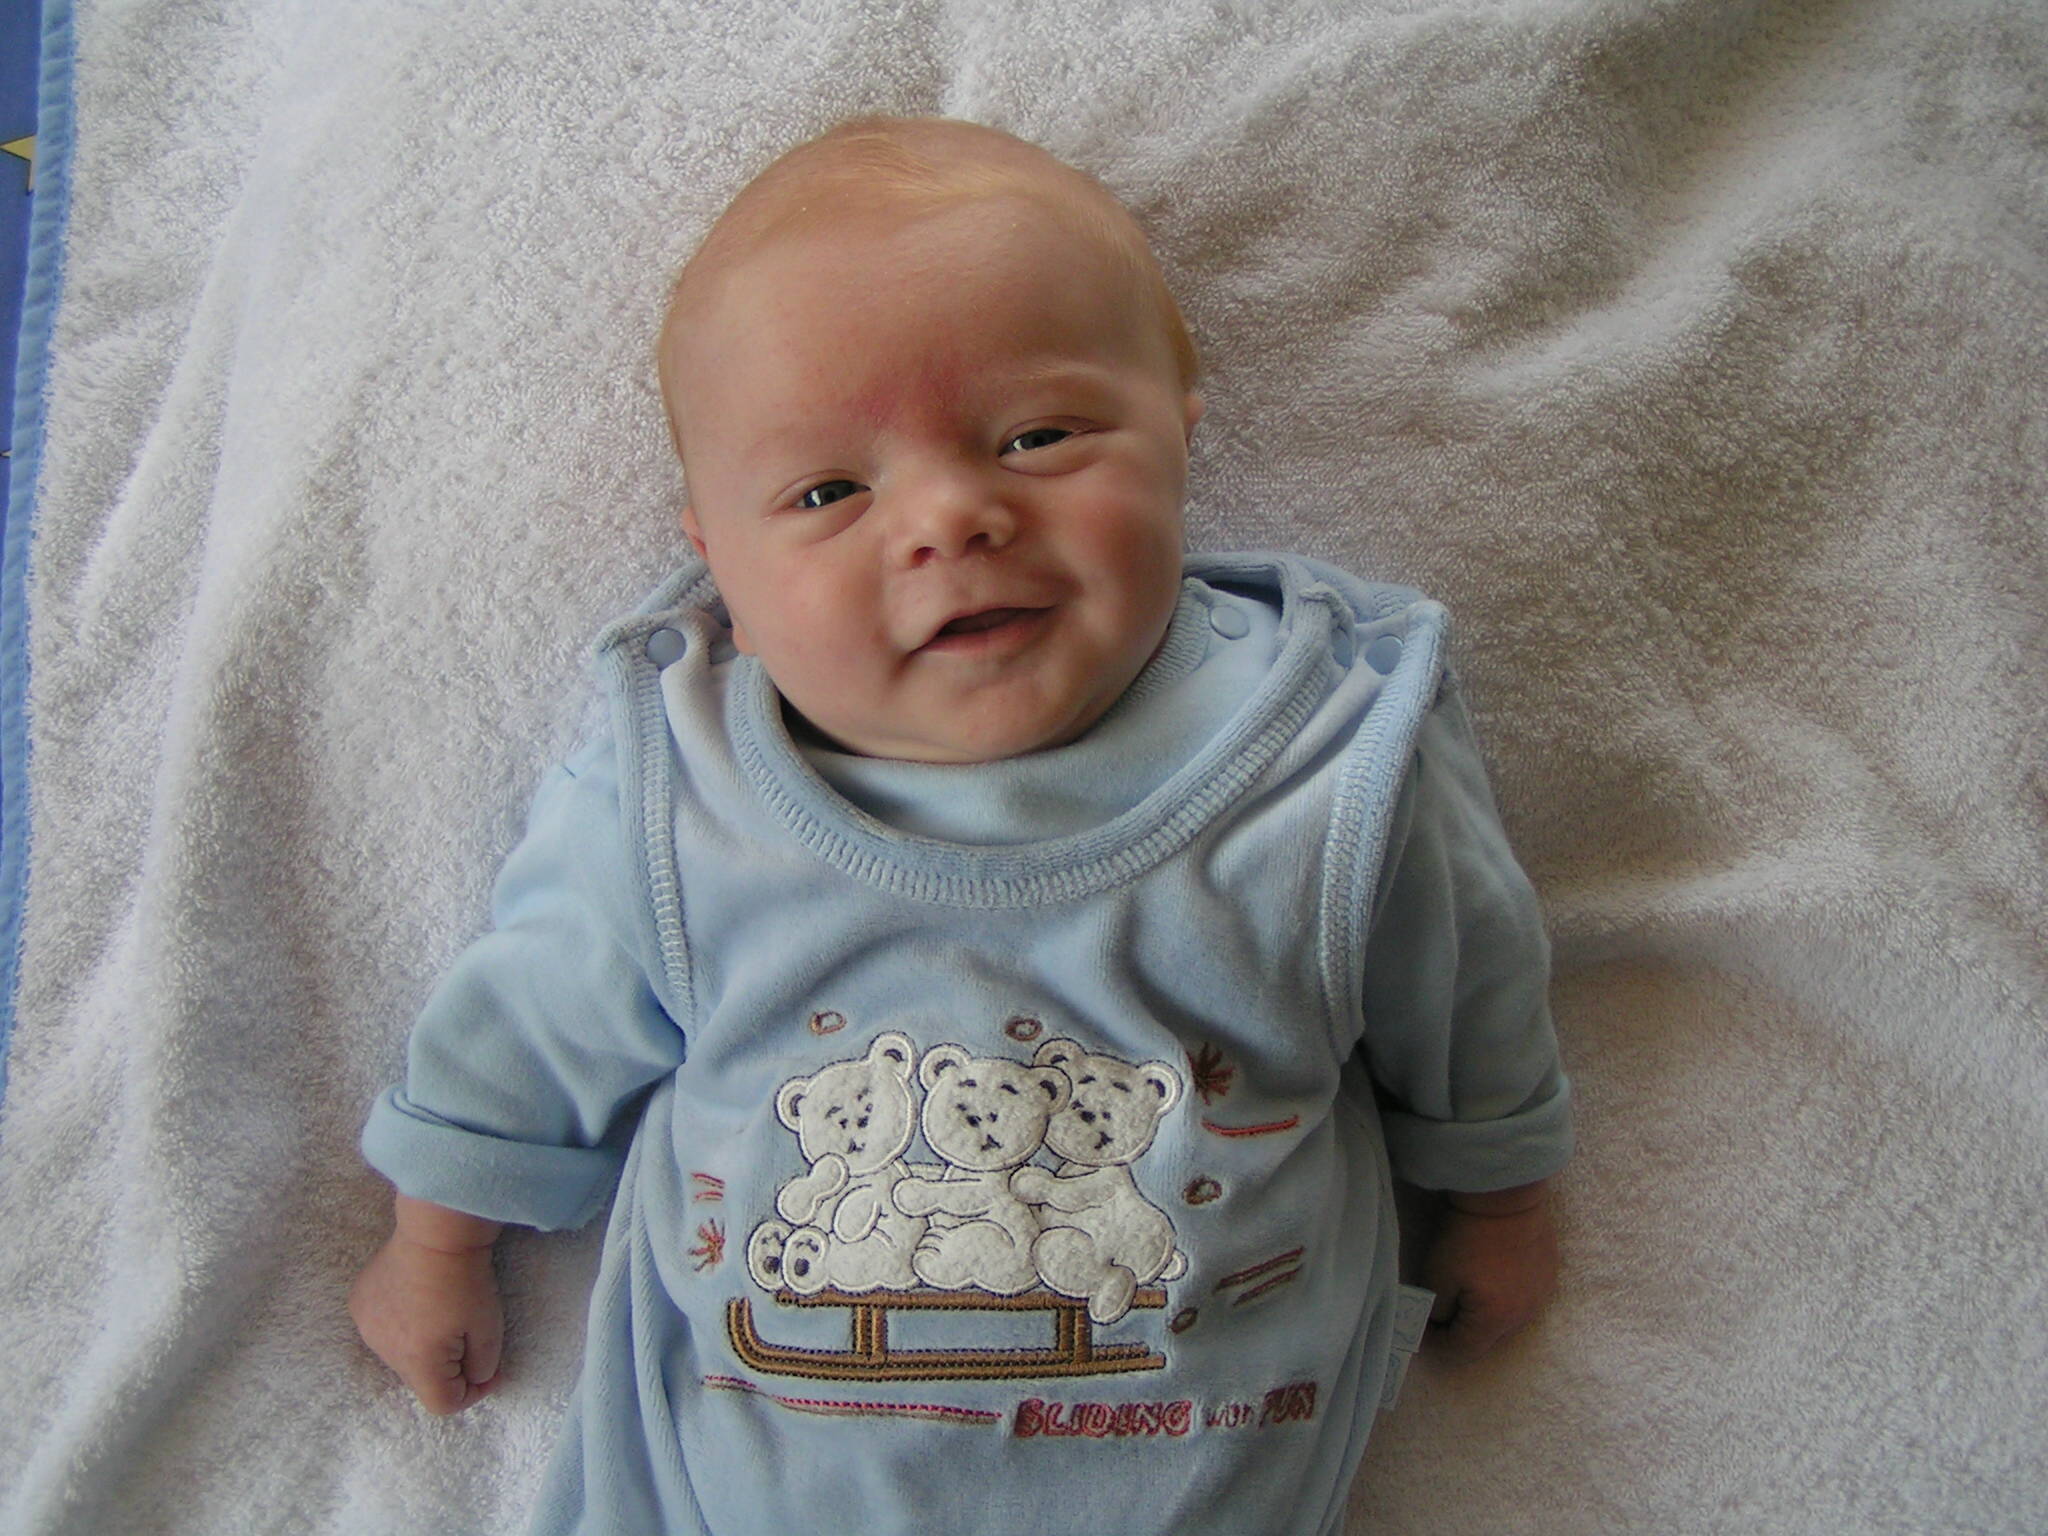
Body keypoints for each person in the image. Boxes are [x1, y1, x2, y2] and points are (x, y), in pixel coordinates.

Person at [348, 115, 1572, 1536]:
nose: (949, 515)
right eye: (827, 492)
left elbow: (1470, 989)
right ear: (716, 556)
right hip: (742, 1492)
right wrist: (438, 1241)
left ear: (1181, 427)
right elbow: (527, 1019)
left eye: (1038, 436)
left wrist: (1501, 1201)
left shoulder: (1328, 754)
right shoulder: (680, 790)